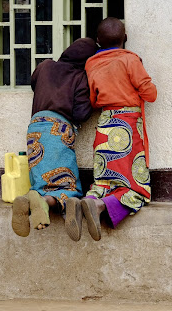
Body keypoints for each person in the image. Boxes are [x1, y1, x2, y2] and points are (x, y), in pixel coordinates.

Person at [11, 38, 97, 241]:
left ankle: (29, 198)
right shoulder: (80, 77)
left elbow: (35, 82)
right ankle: (44, 202)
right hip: (59, 129)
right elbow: (81, 113)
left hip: (35, 126)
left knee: (42, 179)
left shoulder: (46, 66)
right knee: (68, 187)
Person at [80, 17, 157, 241]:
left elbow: (93, 100)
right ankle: (100, 207)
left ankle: (90, 199)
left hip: (105, 124)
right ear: (125, 38)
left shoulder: (91, 63)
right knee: (137, 188)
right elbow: (150, 95)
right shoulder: (130, 60)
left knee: (104, 180)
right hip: (129, 126)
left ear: (98, 41)